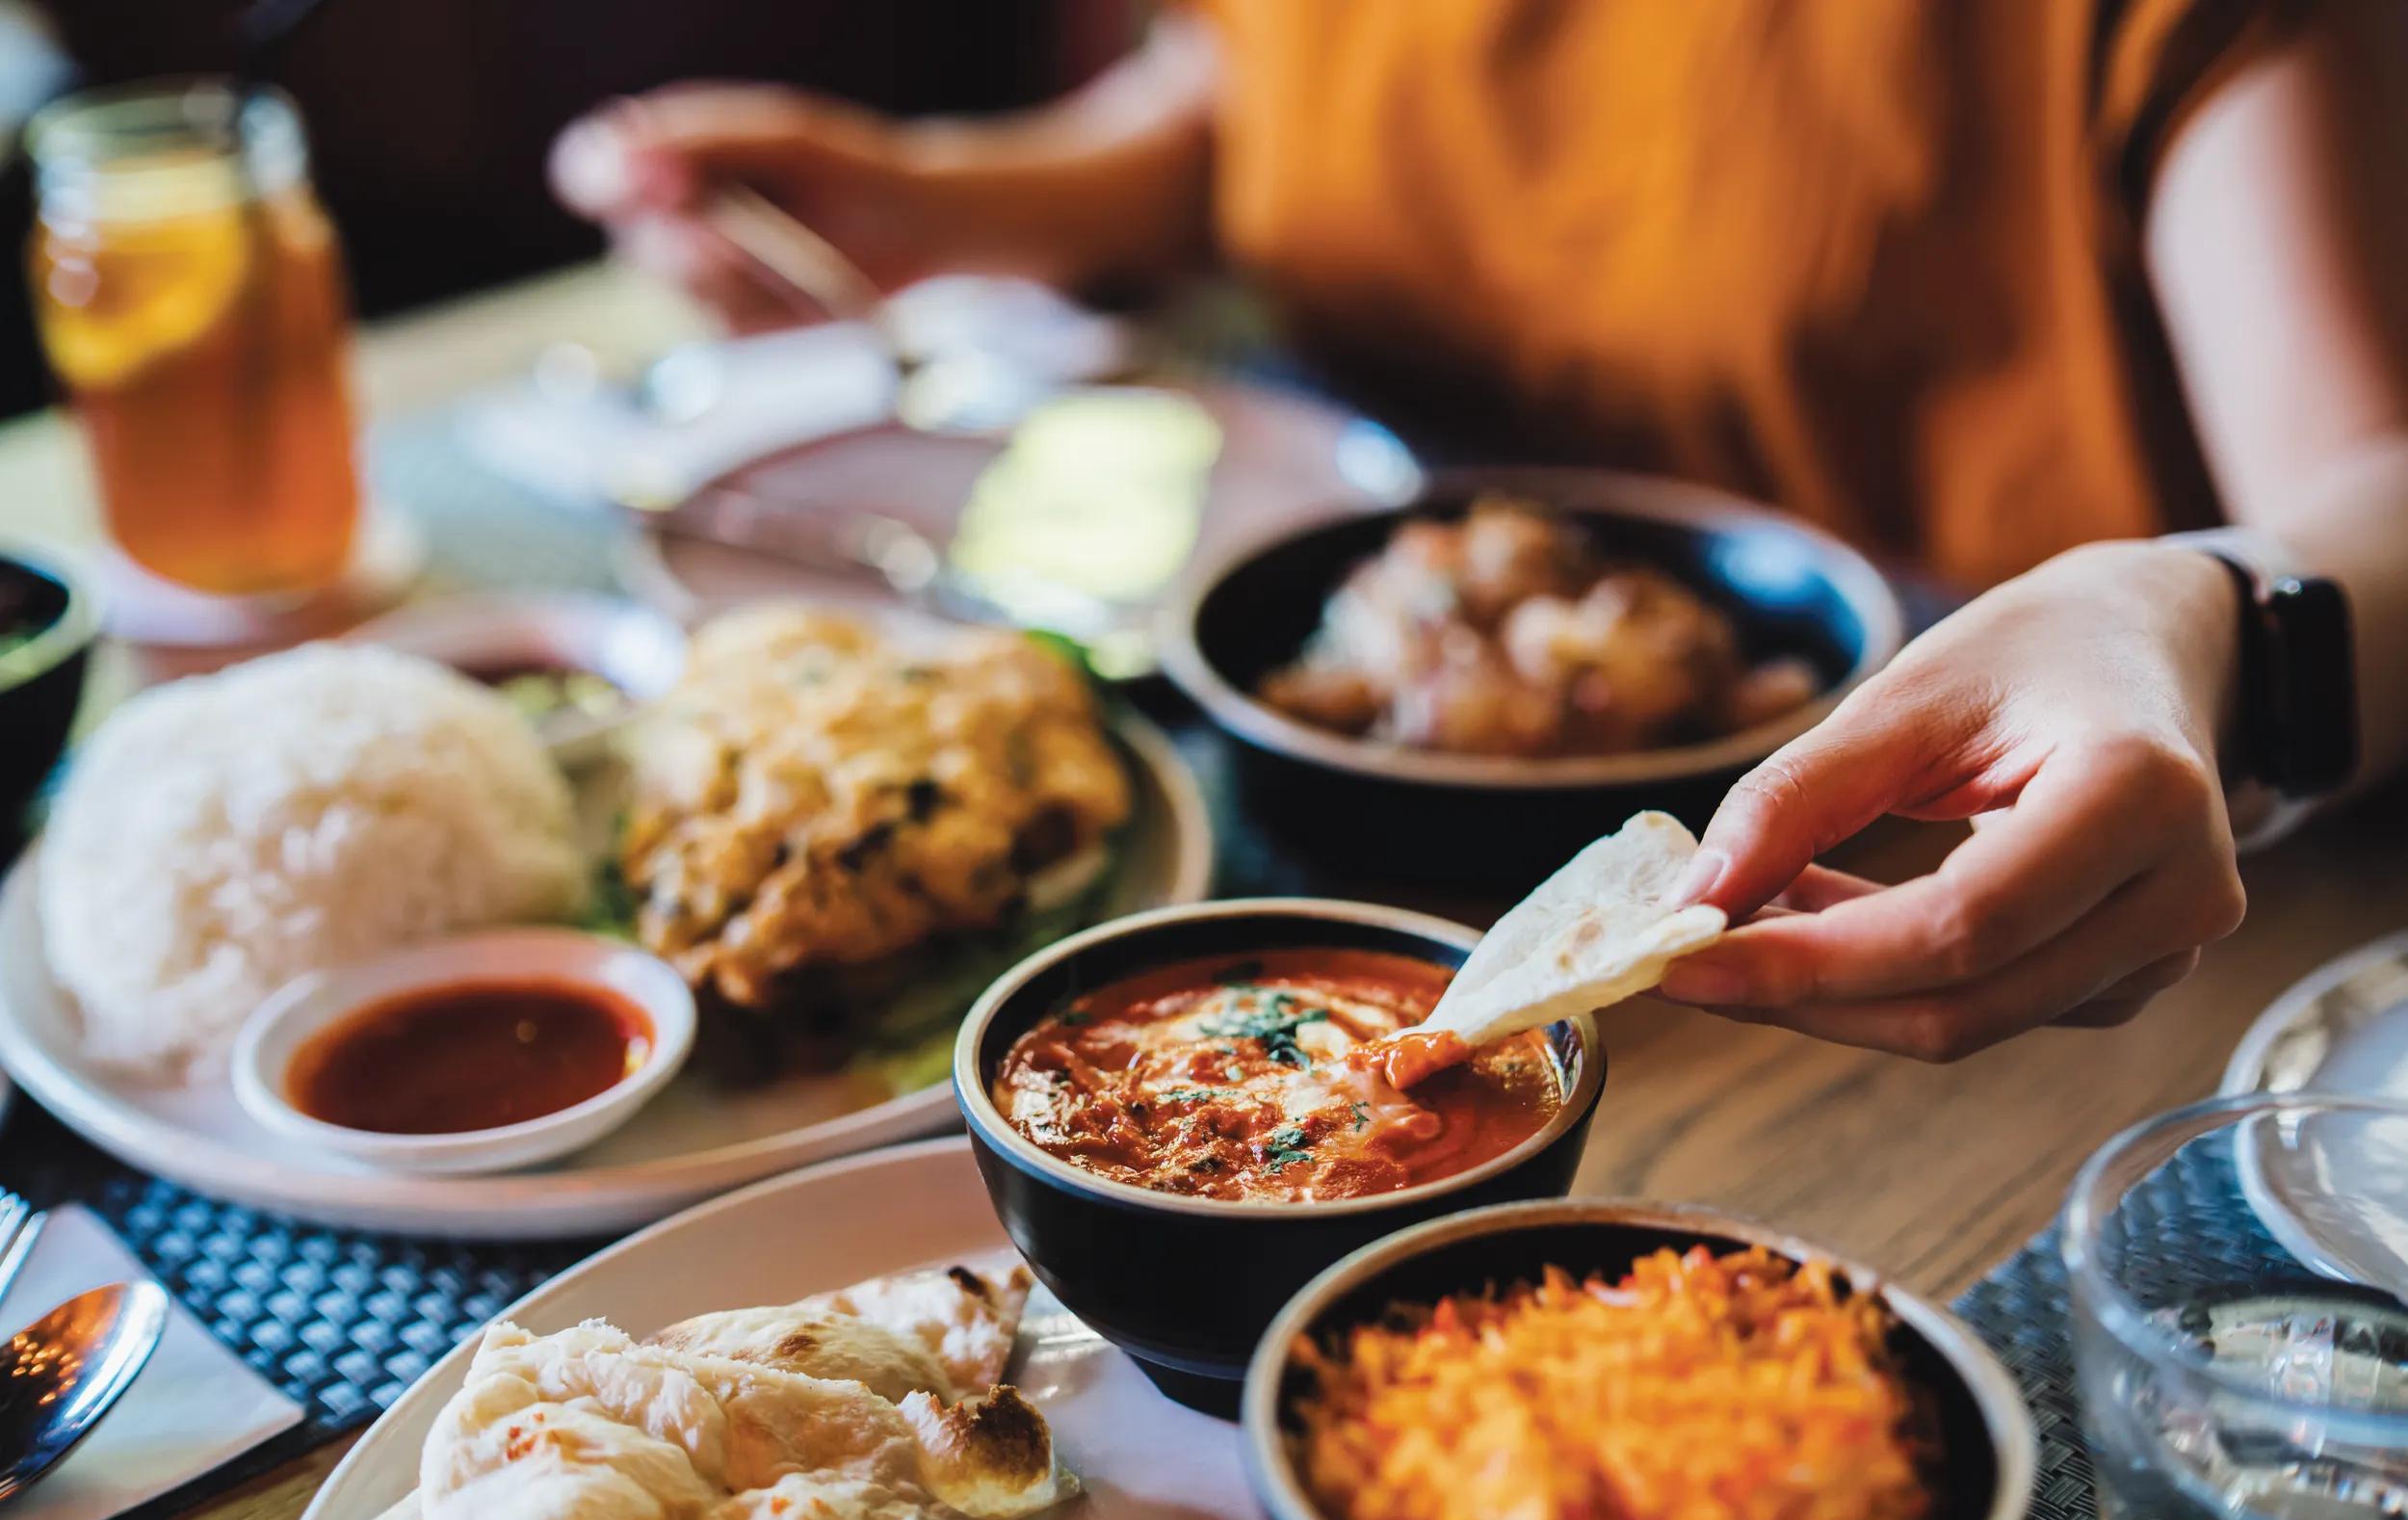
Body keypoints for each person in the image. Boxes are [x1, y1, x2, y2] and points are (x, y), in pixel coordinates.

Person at [549, 1, 2408, 1061]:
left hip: (2017, 945)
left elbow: (2378, 474)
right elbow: (1273, 108)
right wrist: (934, 195)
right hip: (1314, 857)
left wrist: (2191, 615)